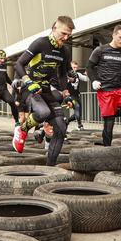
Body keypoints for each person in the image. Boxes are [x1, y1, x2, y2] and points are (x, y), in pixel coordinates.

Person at [12, 16, 73, 166]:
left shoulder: (65, 50)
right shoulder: (41, 42)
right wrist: (28, 82)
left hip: (46, 91)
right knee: (43, 113)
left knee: (60, 129)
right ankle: (22, 129)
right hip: (30, 88)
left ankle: (49, 168)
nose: (65, 38)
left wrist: (66, 93)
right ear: (54, 28)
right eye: (63, 33)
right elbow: (18, 64)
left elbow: (62, 74)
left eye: (69, 35)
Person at [87, 25, 121, 146]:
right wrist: (93, 81)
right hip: (105, 90)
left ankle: (110, 112)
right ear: (113, 35)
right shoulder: (100, 50)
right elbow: (89, 67)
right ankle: (106, 148)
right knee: (109, 126)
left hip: (119, 89)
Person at [66, 61, 88, 131]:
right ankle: (80, 125)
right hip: (69, 97)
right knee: (77, 107)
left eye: (76, 68)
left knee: (78, 114)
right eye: (73, 67)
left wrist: (88, 74)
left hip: (77, 96)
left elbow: (86, 79)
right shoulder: (66, 75)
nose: (75, 69)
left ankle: (66, 121)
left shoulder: (78, 74)